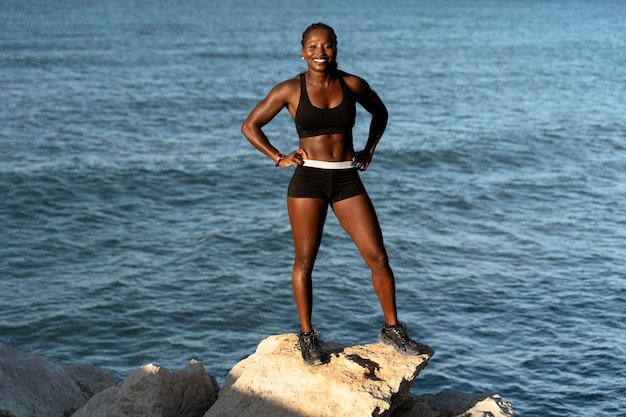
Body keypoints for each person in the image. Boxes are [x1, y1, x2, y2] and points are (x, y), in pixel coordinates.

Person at [241, 22, 433, 366]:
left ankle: (392, 329)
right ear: (302, 52)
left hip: (347, 180)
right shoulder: (289, 90)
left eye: (326, 46)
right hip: (307, 182)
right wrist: (278, 157)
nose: (320, 52)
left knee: (378, 257)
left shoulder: (352, 84)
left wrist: (369, 149)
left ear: (336, 48)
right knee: (304, 261)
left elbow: (381, 112)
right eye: (312, 46)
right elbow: (249, 126)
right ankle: (308, 336)